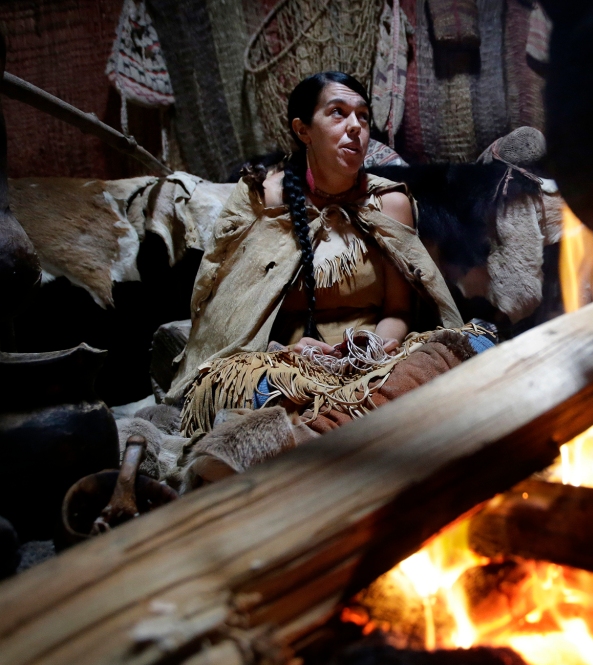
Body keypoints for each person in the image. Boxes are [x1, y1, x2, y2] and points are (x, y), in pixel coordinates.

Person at [167, 72, 469, 436]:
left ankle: (322, 429)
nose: (355, 127)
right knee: (237, 388)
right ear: (303, 130)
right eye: (338, 113)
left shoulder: (389, 203)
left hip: (371, 364)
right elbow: (234, 314)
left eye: (363, 116)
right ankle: (356, 423)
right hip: (286, 364)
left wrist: (379, 346)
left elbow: (399, 310)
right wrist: (289, 350)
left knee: (474, 344)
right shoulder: (264, 200)